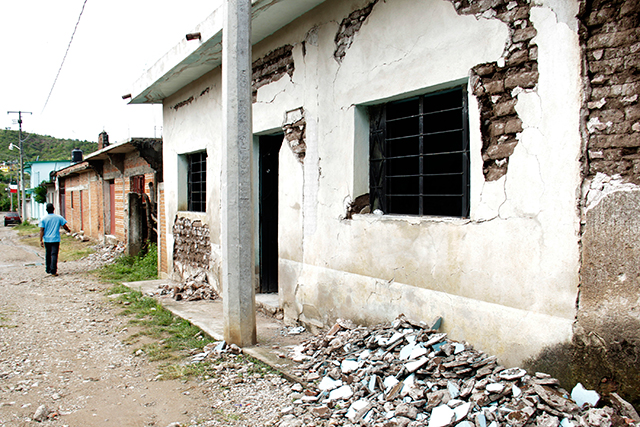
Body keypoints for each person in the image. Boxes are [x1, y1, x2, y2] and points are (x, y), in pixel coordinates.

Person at [39, 203, 71, 276]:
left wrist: (41, 240)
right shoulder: (59, 217)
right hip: (55, 239)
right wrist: (68, 230)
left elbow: (41, 230)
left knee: (48, 254)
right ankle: (54, 271)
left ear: (46, 210)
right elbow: (64, 226)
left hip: (47, 239)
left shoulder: (43, 218)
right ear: (54, 209)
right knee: (54, 254)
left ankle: (48, 269)